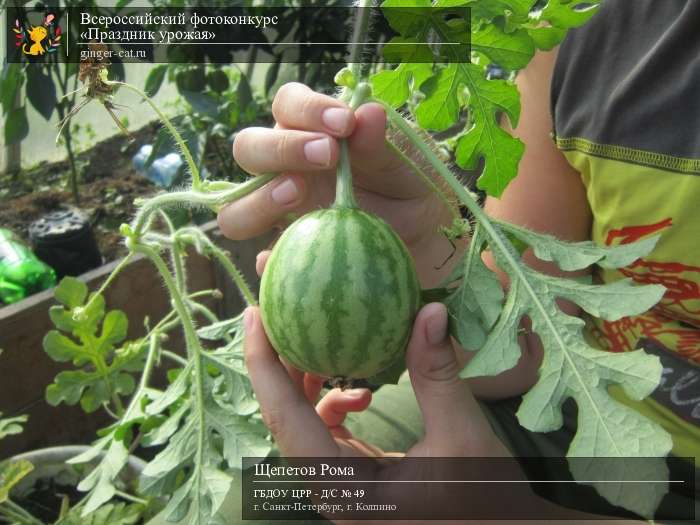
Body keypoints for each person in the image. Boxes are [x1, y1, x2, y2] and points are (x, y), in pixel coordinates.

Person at [217, 1, 699, 522]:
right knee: (264, 501)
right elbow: (523, 345)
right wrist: (424, 241)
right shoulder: (582, 33)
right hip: (570, 404)